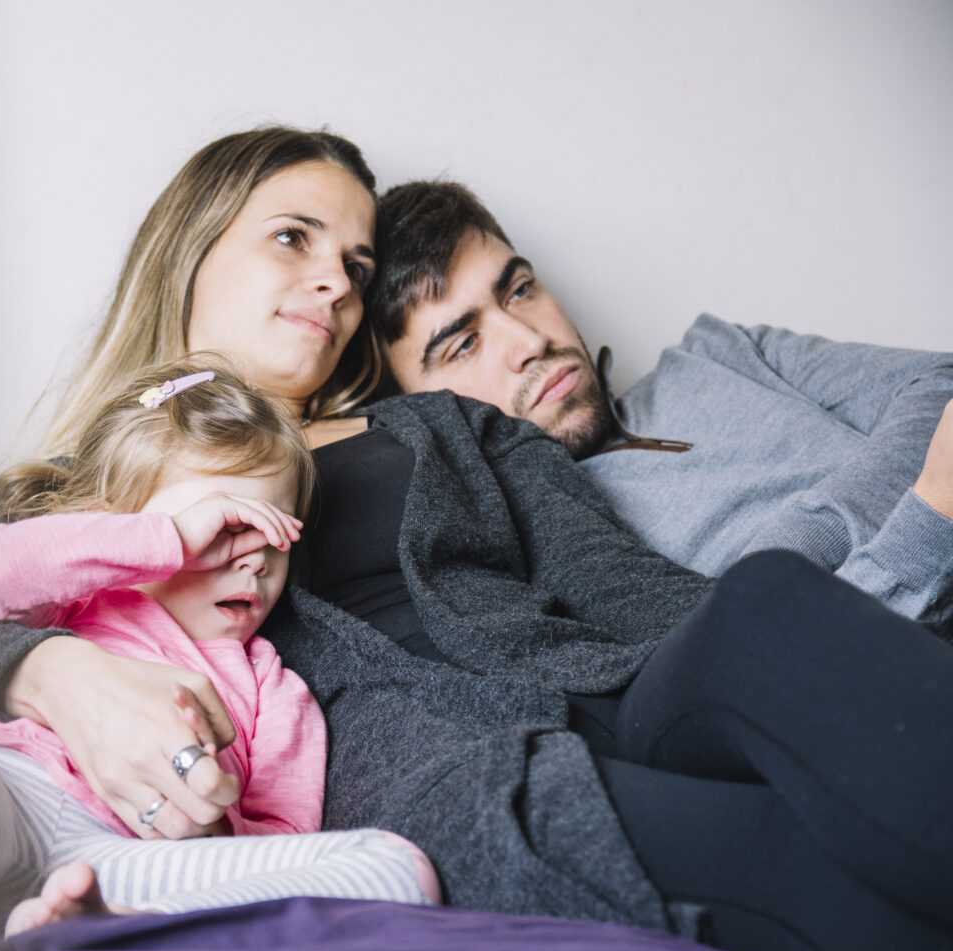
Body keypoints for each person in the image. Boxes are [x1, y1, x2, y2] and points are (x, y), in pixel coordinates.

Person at [0, 127, 952, 951]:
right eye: (293, 237)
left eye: (355, 265)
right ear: (191, 250)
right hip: (469, 778)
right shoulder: (70, 489)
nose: (334, 282)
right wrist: (49, 670)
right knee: (802, 867)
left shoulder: (444, 425)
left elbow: (625, 587)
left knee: (765, 608)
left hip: (610, 686)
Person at [0, 359, 439, 935]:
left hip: (116, 857)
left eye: (277, 535)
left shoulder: (274, 688)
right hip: (0, 781)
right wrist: (171, 539)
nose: (255, 560)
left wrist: (213, 826)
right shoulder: (80, 598)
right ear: (117, 527)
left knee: (396, 868)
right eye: (226, 528)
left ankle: (123, 927)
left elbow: (283, 836)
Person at [368, 180, 953, 633]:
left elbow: (940, 382)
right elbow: (778, 657)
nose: (530, 341)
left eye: (519, 290)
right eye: (464, 344)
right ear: (417, 410)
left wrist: (797, 546)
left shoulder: (717, 351)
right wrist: (928, 514)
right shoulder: (556, 554)